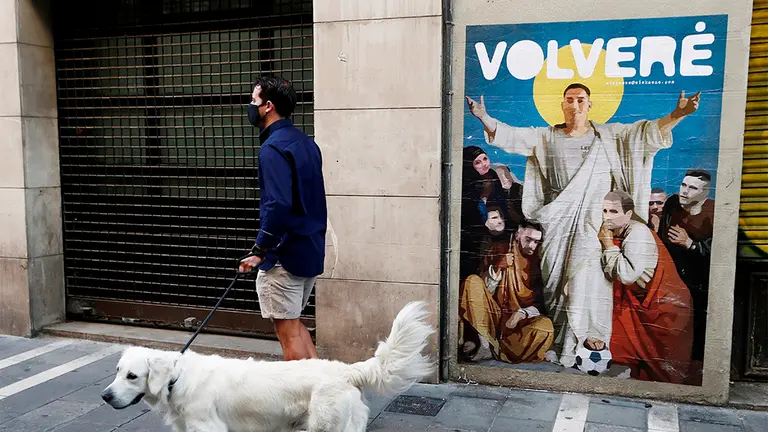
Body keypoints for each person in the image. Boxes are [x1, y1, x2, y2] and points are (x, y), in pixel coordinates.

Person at [466, 83, 700, 367]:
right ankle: (556, 342)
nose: (575, 105)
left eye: (581, 100)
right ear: (562, 105)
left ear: (590, 105)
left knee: (585, 281)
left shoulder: (610, 137)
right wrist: (483, 117)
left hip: (592, 226)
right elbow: (511, 136)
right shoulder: (547, 137)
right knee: (555, 285)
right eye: (569, 100)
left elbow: (645, 135)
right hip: (556, 224)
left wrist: (678, 114)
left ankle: (581, 344)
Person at [239, 76, 327, 361]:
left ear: (268, 106)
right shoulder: (306, 143)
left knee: (287, 332)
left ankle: (301, 401)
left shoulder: (273, 148)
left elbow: (277, 205)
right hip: (309, 250)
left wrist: (259, 250)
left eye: (254, 100)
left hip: (283, 256)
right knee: (295, 324)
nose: (250, 106)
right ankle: (325, 390)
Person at [598, 191, 693, 383]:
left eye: (614, 211)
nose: (607, 216)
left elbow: (627, 274)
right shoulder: (621, 230)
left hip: (666, 307)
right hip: (643, 302)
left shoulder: (637, 232)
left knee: (666, 373)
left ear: (628, 215)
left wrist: (608, 244)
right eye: (604, 211)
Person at [459, 221, 554, 363]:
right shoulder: (499, 249)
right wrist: (498, 268)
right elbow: (483, 291)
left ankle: (500, 350)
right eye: (528, 240)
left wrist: (521, 314)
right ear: (518, 234)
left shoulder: (539, 262)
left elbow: (541, 305)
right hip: (492, 317)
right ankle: (486, 345)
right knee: (472, 281)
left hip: (517, 327)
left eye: (536, 242)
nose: (532, 246)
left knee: (545, 327)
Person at [657, 169, 714, 382]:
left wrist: (690, 244)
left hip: (699, 282)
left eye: (692, 188)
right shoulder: (672, 204)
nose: (685, 191)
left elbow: (719, 252)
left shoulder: (713, 212)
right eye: (683, 185)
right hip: (673, 276)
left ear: (704, 193)